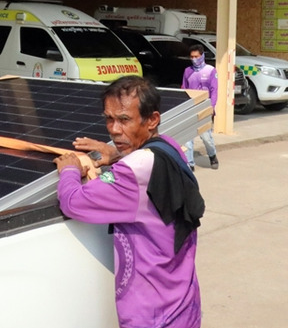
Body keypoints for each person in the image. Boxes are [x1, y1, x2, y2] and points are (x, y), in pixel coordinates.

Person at [55, 76, 204, 328]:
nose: (114, 129)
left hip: (151, 316)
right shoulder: (169, 147)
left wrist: (69, 169)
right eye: (109, 119)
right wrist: (116, 154)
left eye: (124, 120)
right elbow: (145, 166)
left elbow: (73, 202)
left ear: (152, 119)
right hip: (183, 306)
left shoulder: (132, 172)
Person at [182, 44, 220, 170]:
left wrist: (212, 106)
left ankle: (212, 156)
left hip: (205, 108)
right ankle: (190, 164)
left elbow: (214, 90)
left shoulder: (211, 71)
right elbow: (184, 88)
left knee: (206, 137)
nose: (194, 59)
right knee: (188, 138)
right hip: (191, 108)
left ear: (202, 55)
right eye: (192, 57)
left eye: (196, 56)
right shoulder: (187, 71)